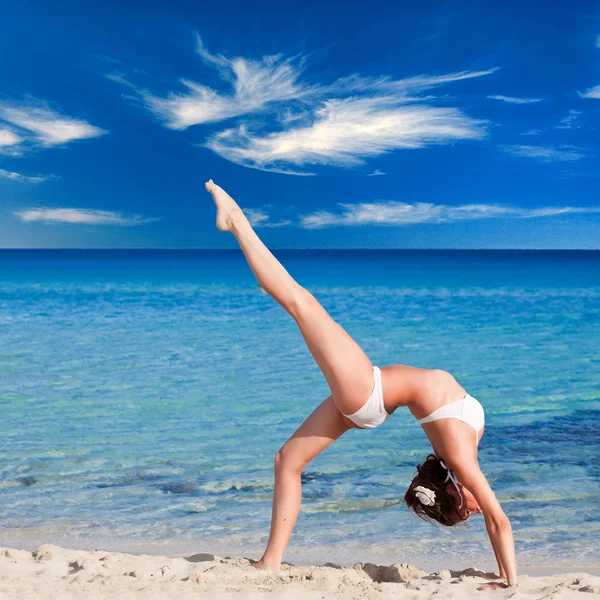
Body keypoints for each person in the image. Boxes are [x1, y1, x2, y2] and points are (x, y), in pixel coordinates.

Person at [204, 180, 517, 590]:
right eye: (470, 514)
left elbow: (500, 520)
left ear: (457, 491)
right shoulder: (461, 446)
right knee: (287, 461)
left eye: (465, 511)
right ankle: (271, 562)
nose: (476, 510)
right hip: (370, 400)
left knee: (301, 303)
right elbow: (491, 516)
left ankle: (237, 222)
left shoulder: (460, 457)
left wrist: (510, 582)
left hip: (368, 392)